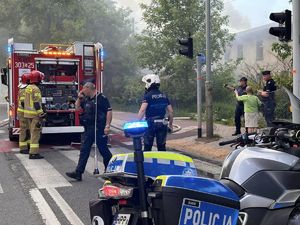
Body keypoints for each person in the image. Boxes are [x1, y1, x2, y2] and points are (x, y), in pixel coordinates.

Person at [66, 82, 112, 181]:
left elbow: (109, 111)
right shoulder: (86, 99)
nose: (82, 91)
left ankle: (109, 171)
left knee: (103, 150)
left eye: (83, 89)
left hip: (100, 128)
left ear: (88, 88)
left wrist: (107, 126)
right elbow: (77, 107)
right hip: (89, 128)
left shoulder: (101, 98)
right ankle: (78, 173)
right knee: (84, 150)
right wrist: (79, 98)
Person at [137, 74, 174, 151]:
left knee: (147, 146)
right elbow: (171, 111)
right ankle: (163, 162)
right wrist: (170, 125)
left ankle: (147, 162)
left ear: (150, 83)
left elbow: (142, 110)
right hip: (163, 123)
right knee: (161, 147)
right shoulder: (164, 96)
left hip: (150, 124)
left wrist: (137, 122)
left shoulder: (147, 96)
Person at [24, 70, 45, 159]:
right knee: (36, 133)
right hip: (35, 114)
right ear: (37, 79)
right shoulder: (36, 89)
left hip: (28, 114)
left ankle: (31, 150)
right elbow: (36, 102)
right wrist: (41, 113)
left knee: (32, 133)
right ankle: (33, 153)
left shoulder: (27, 87)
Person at [18, 73, 30, 154]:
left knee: (28, 130)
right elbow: (23, 103)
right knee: (24, 130)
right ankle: (23, 148)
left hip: (25, 113)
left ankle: (28, 145)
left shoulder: (23, 88)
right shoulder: (23, 90)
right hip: (23, 113)